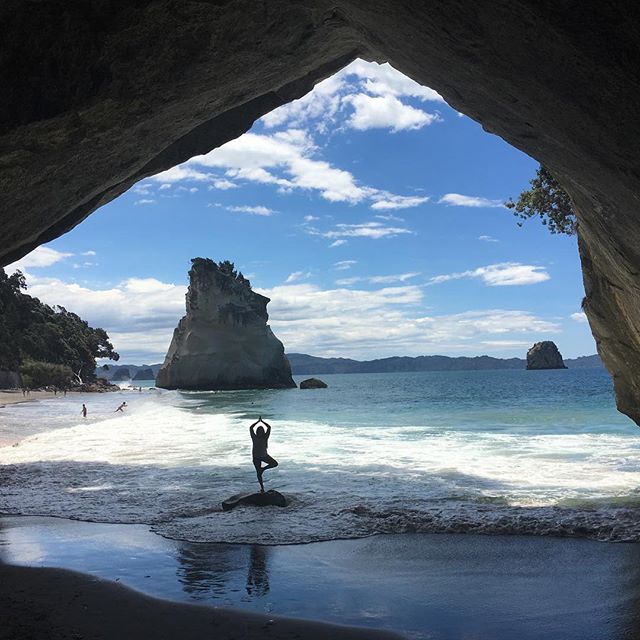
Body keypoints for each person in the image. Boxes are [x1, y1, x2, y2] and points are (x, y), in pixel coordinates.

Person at [249, 417, 278, 493]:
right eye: (259, 431)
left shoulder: (265, 437)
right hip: (256, 458)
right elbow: (251, 428)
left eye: (261, 431)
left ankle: (263, 469)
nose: (260, 432)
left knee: (275, 463)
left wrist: (262, 422)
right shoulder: (254, 437)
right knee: (258, 473)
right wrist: (258, 422)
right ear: (257, 431)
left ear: (263, 432)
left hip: (264, 456)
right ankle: (262, 488)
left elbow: (269, 427)